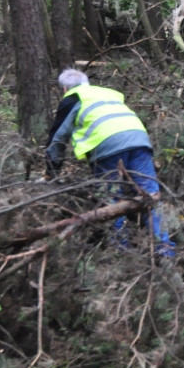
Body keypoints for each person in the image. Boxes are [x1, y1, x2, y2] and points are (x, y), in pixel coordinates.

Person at [45, 69, 175, 257]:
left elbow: (57, 139)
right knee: (150, 195)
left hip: (107, 144)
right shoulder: (106, 93)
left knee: (111, 198)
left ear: (64, 88)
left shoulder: (72, 98)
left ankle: (120, 250)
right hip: (138, 138)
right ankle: (164, 249)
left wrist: (52, 170)